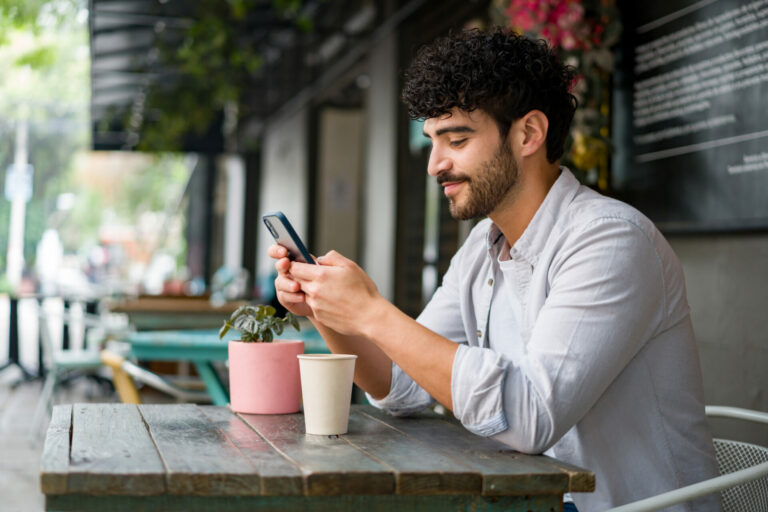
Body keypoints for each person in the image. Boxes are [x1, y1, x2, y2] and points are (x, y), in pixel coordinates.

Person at [269, 28, 720, 511]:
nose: (434, 164)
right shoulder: (481, 248)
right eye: (432, 142)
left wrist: (373, 313)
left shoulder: (609, 239)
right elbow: (400, 387)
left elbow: (529, 417)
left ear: (528, 133)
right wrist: (327, 307)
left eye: (456, 139)